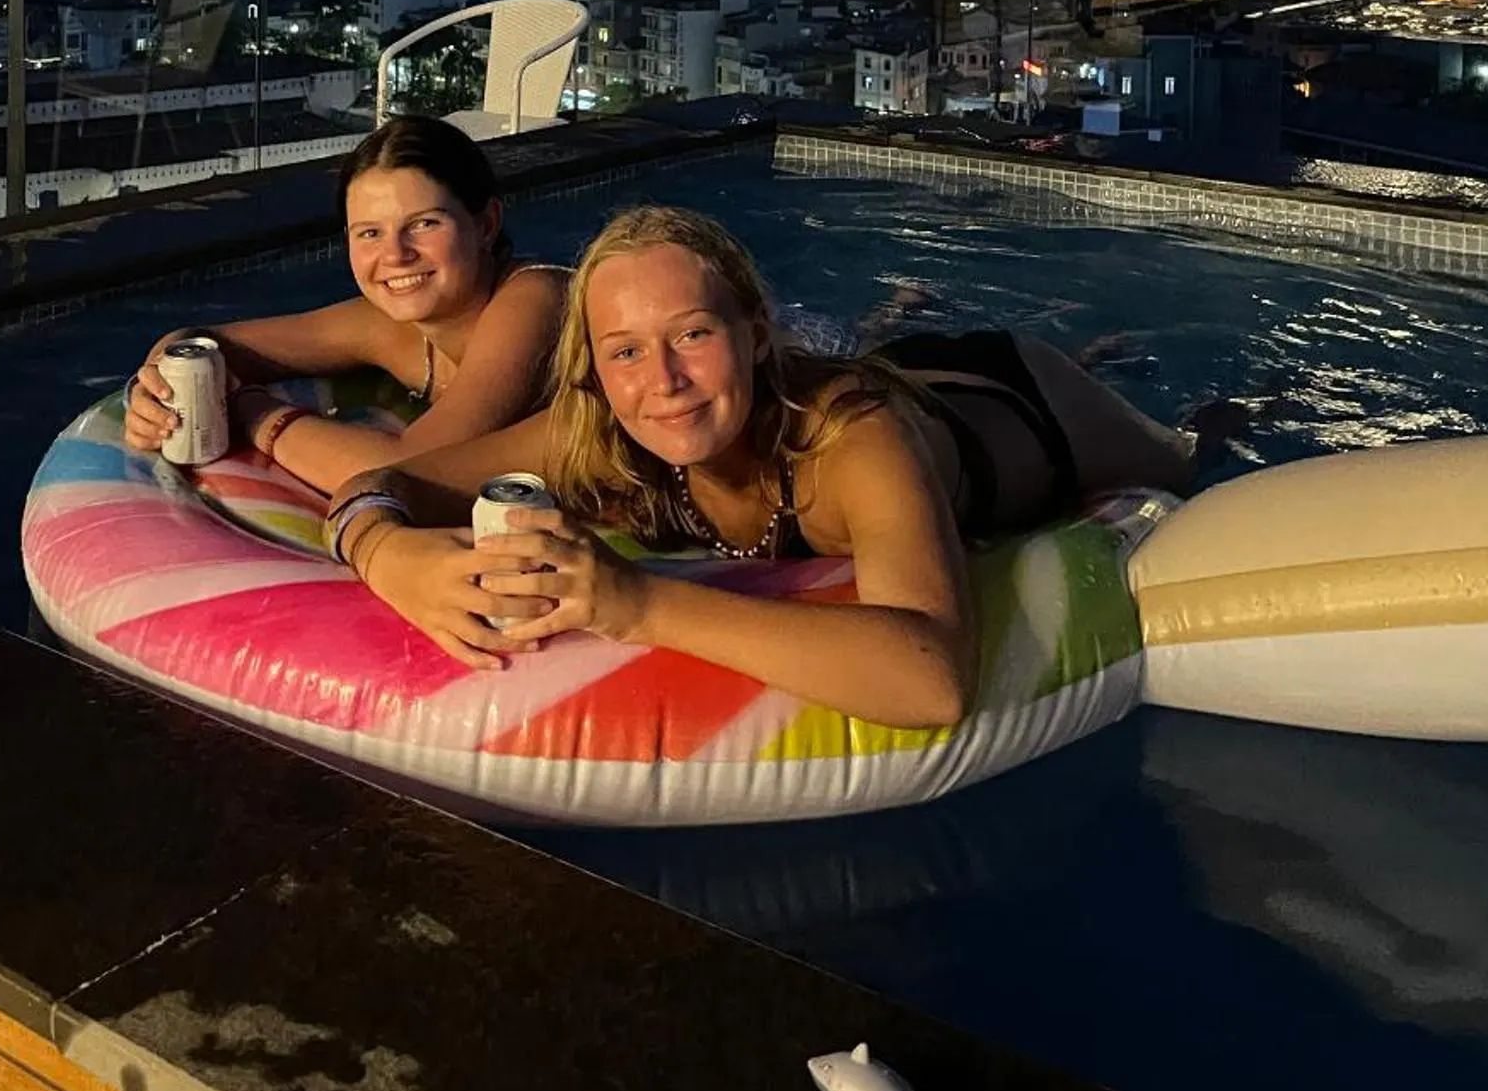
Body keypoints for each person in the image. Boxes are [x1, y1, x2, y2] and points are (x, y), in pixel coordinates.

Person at [319, 204, 1201, 728]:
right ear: (592, 366)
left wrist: (636, 602)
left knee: (1196, 449)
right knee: (869, 359)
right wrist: (388, 557)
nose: (659, 382)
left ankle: (1107, 362)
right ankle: (901, 316)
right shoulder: (601, 427)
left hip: (1020, 404)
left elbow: (934, 679)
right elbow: (387, 484)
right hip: (887, 381)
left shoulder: (850, 440)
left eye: (692, 336)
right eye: (624, 352)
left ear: (755, 330)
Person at [121, 116, 565, 493]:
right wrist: (160, 391)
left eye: (425, 223)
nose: (395, 255)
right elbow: (203, 341)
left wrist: (245, 409)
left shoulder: (534, 299)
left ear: (486, 224)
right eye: (370, 233)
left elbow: (410, 470)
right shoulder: (390, 326)